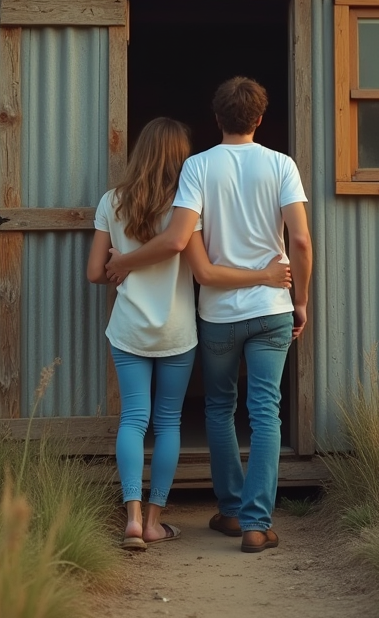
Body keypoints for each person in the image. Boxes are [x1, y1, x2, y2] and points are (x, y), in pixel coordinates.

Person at [106, 77, 312, 554]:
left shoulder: (196, 168)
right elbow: (299, 242)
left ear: (217, 119)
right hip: (272, 308)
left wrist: (122, 263)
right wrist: (299, 299)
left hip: (217, 313)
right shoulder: (282, 165)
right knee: (266, 413)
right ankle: (258, 524)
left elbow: (185, 248)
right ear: (259, 119)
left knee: (220, 409)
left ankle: (232, 511)